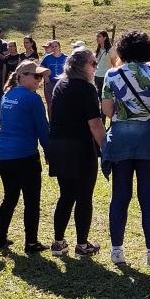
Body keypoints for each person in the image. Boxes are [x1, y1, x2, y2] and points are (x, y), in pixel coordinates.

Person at [101, 30, 150, 267]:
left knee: (120, 196)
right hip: (149, 137)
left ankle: (117, 250)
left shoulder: (112, 74)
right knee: (149, 196)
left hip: (120, 137)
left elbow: (107, 111)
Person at [44, 49, 105, 257]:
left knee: (66, 195)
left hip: (59, 146)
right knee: (84, 196)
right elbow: (95, 124)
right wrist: (106, 148)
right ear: (81, 65)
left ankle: (58, 242)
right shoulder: (87, 89)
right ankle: (82, 244)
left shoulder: (60, 85)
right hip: (80, 147)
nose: (95, 66)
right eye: (93, 63)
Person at [0, 59, 51, 252]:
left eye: (40, 76)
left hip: (3, 154)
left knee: (10, 197)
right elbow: (43, 130)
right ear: (22, 76)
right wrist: (49, 153)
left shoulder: (7, 95)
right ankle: (31, 242)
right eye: (36, 76)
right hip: (25, 155)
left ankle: (0, 239)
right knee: (31, 199)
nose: (39, 80)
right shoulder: (32, 98)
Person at [93, 31, 113, 96]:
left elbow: (115, 64)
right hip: (97, 76)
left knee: (105, 96)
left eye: (99, 36)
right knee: (99, 95)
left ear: (104, 38)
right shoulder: (97, 50)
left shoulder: (111, 50)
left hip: (106, 77)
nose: (97, 38)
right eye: (96, 36)